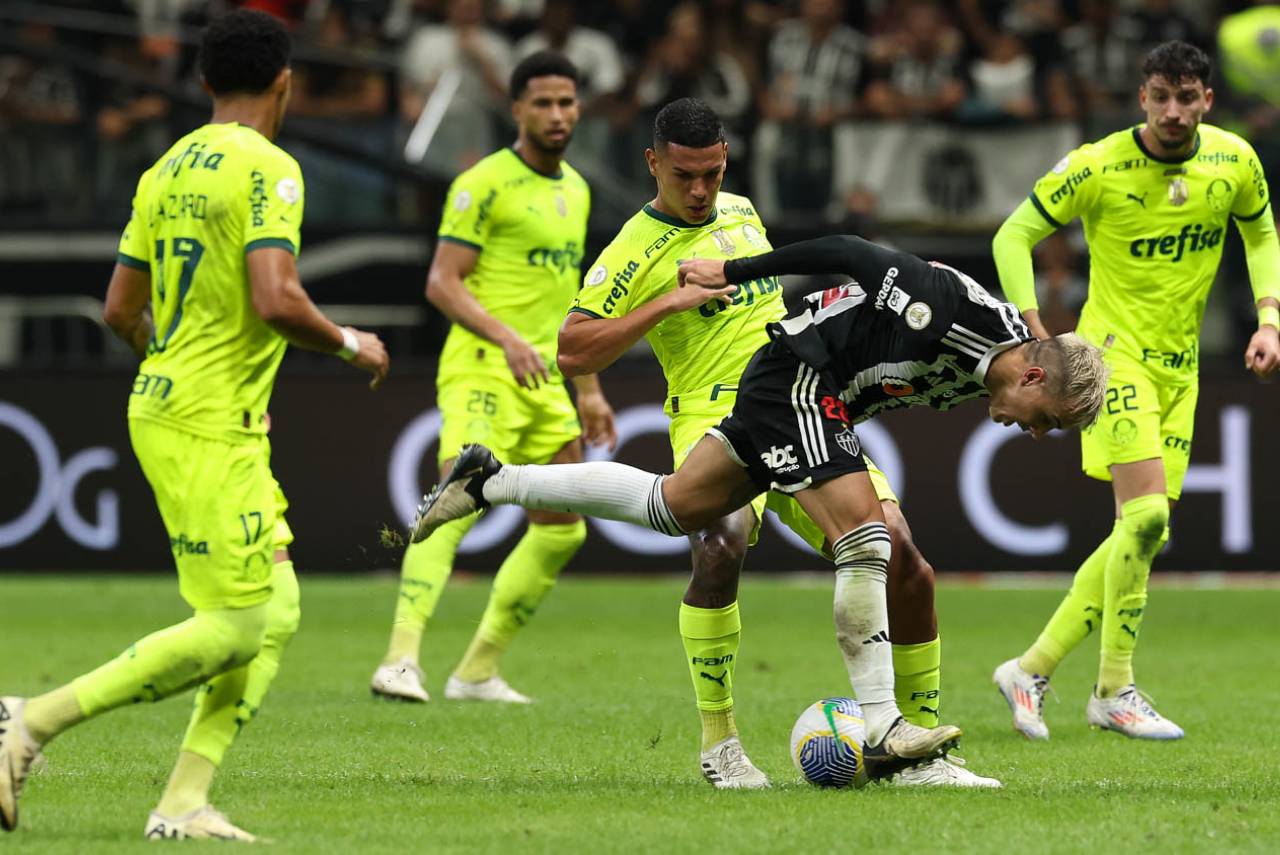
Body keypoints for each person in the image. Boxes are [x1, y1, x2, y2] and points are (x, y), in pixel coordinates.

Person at [411, 231, 1108, 785]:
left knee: (672, 504)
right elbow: (847, 251)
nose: (1034, 431)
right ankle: (886, 729)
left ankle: (489, 483)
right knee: (870, 537)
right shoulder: (947, 310)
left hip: (809, 393)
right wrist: (733, 270)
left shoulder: (1002, 366)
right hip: (801, 376)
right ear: (1035, 373)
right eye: (1046, 418)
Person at [521, 95, 999, 788]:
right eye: (684, 175)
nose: (699, 190)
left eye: (712, 173)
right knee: (720, 548)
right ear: (653, 162)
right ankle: (720, 742)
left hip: (802, 402)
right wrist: (666, 304)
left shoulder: (742, 212)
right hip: (712, 418)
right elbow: (572, 349)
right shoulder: (631, 249)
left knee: (905, 561)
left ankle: (918, 751)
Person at [0, 10, 390, 841]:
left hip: (186, 403)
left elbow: (118, 309)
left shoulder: (163, 169)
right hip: (206, 418)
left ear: (206, 82)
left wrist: (174, 359)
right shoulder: (270, 168)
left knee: (276, 605)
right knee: (242, 621)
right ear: (285, 82)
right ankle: (27, 722)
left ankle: (183, 799)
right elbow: (276, 298)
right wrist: (354, 344)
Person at [991, 40, 1280, 741]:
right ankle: (1113, 687)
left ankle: (1030, 668)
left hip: (1183, 368)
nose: (1174, 111)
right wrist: (1037, 333)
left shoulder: (1235, 160)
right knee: (1147, 520)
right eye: (1161, 96)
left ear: (1207, 101)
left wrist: (1270, 317)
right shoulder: (1098, 165)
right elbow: (1013, 235)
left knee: (1141, 531)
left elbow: (1262, 233)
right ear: (1141, 98)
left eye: (1187, 98)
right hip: (1112, 362)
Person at [370, 52, 616, 706]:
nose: (558, 115)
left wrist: (587, 386)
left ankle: (476, 670)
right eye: (543, 103)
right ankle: (400, 659)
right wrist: (505, 337)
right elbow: (441, 283)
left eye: (567, 102)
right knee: (456, 503)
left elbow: (568, 297)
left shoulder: (578, 190)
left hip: (543, 376)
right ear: (516, 110)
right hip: (484, 362)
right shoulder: (483, 183)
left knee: (564, 527)